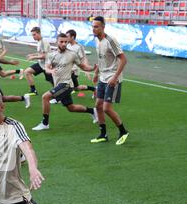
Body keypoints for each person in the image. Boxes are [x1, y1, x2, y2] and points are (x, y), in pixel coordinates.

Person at [32, 33, 98, 131]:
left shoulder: (72, 54)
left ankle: (45, 123)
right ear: (56, 42)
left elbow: (83, 66)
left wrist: (93, 68)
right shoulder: (51, 55)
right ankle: (93, 111)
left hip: (67, 84)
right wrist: (50, 71)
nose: (63, 44)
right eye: (61, 42)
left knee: (45, 97)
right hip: (59, 84)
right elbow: (46, 68)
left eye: (65, 42)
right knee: (71, 108)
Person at [91, 16, 129, 145]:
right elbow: (101, 59)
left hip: (112, 78)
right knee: (98, 106)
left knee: (106, 108)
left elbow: (123, 59)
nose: (94, 29)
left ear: (103, 27)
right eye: (92, 26)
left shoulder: (110, 40)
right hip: (102, 77)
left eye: (96, 26)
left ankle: (123, 131)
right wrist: (96, 73)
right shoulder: (97, 41)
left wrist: (115, 77)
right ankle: (103, 134)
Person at [21, 27, 54, 95]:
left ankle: (62, 91)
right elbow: (40, 53)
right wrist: (33, 54)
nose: (33, 36)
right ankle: (33, 91)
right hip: (41, 64)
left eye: (34, 34)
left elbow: (44, 56)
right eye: (32, 35)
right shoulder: (39, 42)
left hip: (47, 65)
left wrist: (33, 57)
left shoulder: (43, 42)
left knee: (52, 81)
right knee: (27, 72)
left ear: (39, 33)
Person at [65, 29, 96, 95]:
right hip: (67, 69)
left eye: (67, 36)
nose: (66, 38)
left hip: (73, 70)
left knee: (63, 83)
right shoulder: (67, 45)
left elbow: (84, 58)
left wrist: (86, 71)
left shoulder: (79, 47)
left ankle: (58, 98)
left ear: (72, 37)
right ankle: (94, 89)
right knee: (76, 88)